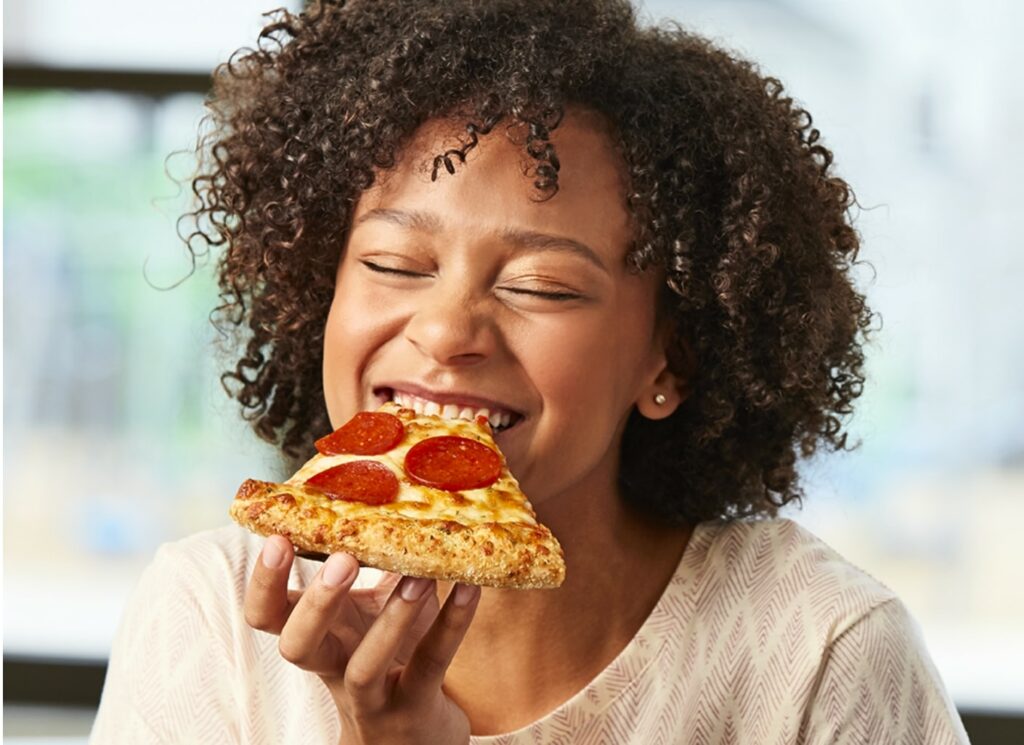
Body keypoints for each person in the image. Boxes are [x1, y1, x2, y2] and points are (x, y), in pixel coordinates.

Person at [90, 1, 970, 743]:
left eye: (539, 284)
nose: (444, 330)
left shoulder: (819, 651)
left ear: (673, 357)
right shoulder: (211, 618)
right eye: (396, 264)